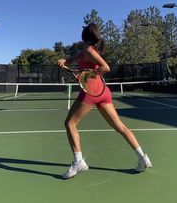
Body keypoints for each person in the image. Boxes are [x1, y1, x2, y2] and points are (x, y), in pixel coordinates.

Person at [58, 23, 152, 179]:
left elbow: (105, 67)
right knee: (120, 126)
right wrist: (64, 61)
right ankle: (143, 158)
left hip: (92, 91)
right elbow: (72, 59)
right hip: (103, 92)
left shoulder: (88, 50)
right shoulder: (85, 51)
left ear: (84, 37)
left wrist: (88, 75)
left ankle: (78, 161)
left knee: (70, 124)